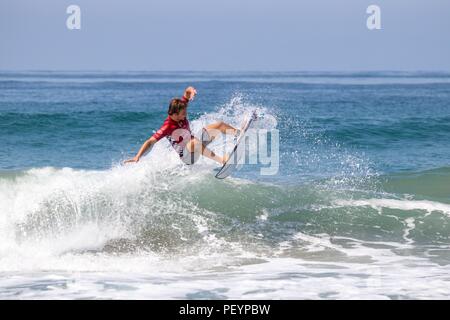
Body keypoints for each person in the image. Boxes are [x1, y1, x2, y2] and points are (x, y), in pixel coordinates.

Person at [124, 87, 240, 165]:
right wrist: (137, 156)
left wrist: (192, 90)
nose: (185, 115)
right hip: (187, 157)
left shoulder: (181, 108)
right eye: (183, 114)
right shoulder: (167, 126)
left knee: (219, 125)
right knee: (195, 142)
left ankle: (238, 134)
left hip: (195, 145)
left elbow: (187, 92)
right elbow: (150, 141)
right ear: (174, 114)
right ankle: (222, 161)